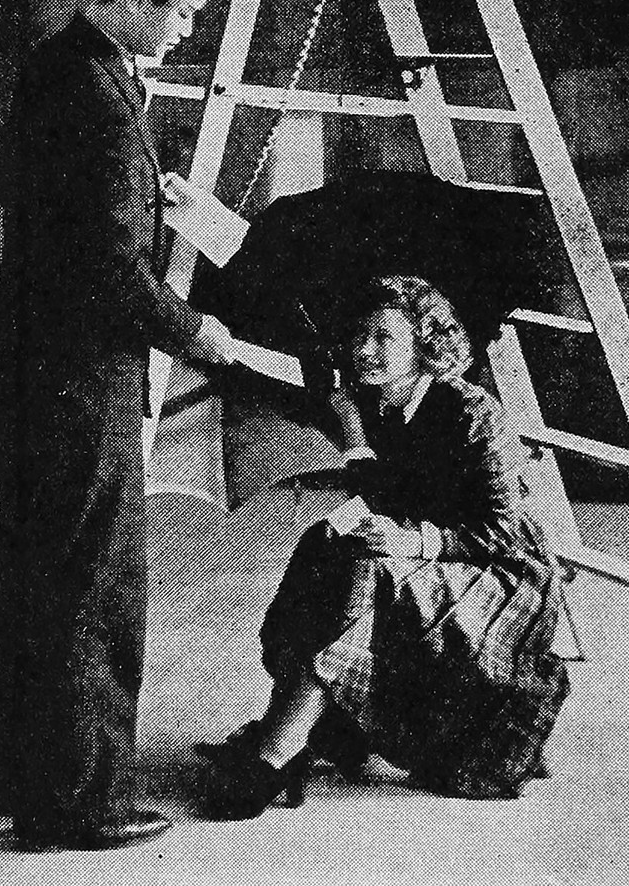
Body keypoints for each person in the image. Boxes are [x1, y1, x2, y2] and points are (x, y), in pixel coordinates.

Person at [0, 0, 235, 850]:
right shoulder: (99, 97)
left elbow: (72, 221)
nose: (187, 30)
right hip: (80, 380)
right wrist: (196, 332)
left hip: (30, 370)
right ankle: (77, 801)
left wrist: (158, 200)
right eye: (183, 12)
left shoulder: (59, 65)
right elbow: (110, 268)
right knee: (93, 585)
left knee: (27, 567)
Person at [203, 275, 570, 817]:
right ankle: (293, 728)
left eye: (384, 339)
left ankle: (278, 754)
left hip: (502, 583)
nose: (365, 351)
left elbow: (508, 530)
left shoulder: (475, 413)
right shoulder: (381, 406)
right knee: (325, 545)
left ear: (426, 348)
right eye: (361, 337)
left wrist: (412, 539)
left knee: (369, 569)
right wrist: (359, 483)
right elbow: (395, 487)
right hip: (432, 561)